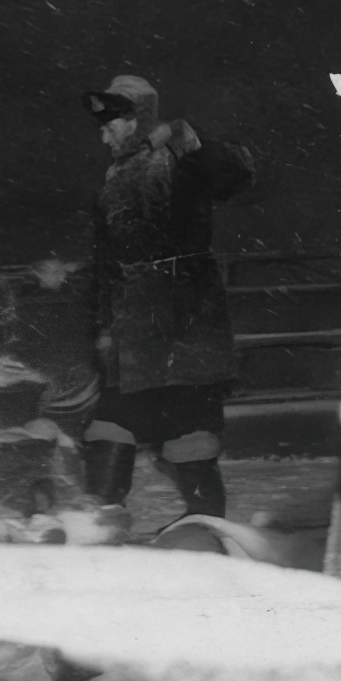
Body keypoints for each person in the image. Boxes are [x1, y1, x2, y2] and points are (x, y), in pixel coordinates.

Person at [80, 74, 256, 521]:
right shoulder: (117, 174)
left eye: (110, 124)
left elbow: (235, 175)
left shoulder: (178, 155)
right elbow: (107, 254)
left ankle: (204, 524)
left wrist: (187, 141)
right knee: (114, 420)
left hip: (184, 315)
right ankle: (103, 518)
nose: (103, 135)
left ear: (135, 119)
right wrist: (102, 318)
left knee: (186, 421)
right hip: (135, 320)